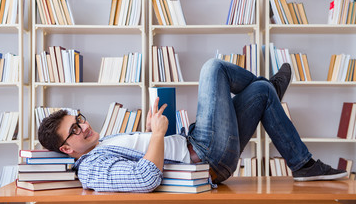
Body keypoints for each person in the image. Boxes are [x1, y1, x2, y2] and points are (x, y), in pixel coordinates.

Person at [38, 59, 347, 192]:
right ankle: (271, 92)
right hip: (203, 157)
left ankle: (303, 165)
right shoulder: (91, 167)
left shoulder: (104, 141)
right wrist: (157, 134)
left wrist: (152, 131)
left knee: (260, 93)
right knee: (213, 68)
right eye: (74, 129)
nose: (84, 126)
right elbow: (145, 178)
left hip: (197, 143)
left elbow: (150, 153)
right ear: (66, 148)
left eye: (79, 119)